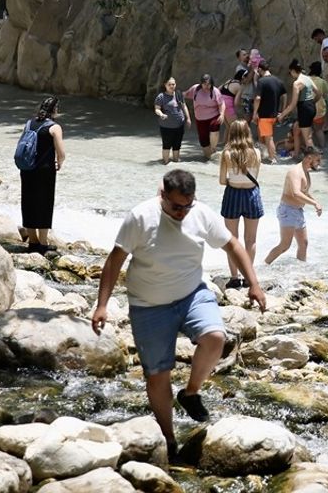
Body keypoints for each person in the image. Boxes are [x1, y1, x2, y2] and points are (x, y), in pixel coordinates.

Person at [90, 170, 268, 454]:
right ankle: (169, 439)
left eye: (187, 205)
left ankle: (191, 392)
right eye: (176, 207)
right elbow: (115, 260)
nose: (182, 212)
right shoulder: (140, 217)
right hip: (148, 305)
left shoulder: (200, 213)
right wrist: (102, 305)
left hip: (191, 294)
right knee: (158, 374)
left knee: (215, 337)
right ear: (162, 196)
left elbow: (233, 244)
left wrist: (254, 284)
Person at [217, 120, 263, 289]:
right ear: (247, 133)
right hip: (252, 195)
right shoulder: (257, 153)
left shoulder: (227, 154)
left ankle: (235, 277)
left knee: (232, 239)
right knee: (250, 239)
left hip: (233, 194)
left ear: (232, 133)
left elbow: (222, 181)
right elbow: (256, 176)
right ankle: (249, 278)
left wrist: (233, 179)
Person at [20, 97, 65, 253]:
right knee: (44, 203)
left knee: (28, 201)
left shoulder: (28, 124)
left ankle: (33, 241)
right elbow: (61, 153)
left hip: (26, 169)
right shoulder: (54, 128)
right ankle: (43, 243)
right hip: (45, 171)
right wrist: (60, 162)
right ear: (54, 110)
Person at [265, 146, 324, 264]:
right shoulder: (295, 172)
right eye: (317, 160)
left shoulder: (306, 172)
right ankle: (265, 264)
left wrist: (315, 202)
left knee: (304, 243)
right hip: (288, 210)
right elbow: (296, 193)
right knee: (285, 245)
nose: (319, 163)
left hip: (298, 211)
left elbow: (304, 192)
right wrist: (314, 203)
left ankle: (300, 270)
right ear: (309, 158)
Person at [277, 60, 318, 155]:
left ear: (292, 71)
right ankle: (296, 152)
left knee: (307, 138)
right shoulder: (307, 78)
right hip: (311, 107)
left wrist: (282, 115)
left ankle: (315, 160)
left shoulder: (297, 83)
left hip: (304, 109)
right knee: (296, 128)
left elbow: (293, 104)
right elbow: (318, 93)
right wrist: (312, 102)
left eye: (290, 72)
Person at [251, 61, 286, 163]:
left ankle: (272, 158)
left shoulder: (262, 82)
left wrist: (254, 113)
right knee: (264, 134)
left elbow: (257, 98)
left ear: (260, 70)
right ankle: (264, 154)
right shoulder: (278, 81)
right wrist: (282, 111)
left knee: (268, 137)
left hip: (265, 115)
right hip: (274, 115)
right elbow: (284, 95)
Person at [185, 74, 224, 159]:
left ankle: (213, 148)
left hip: (213, 115)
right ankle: (210, 159)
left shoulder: (215, 91)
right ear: (201, 83)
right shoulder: (195, 89)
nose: (207, 86)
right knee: (204, 142)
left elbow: (221, 104)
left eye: (209, 84)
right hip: (200, 118)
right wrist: (175, 95)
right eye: (205, 84)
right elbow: (185, 94)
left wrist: (222, 114)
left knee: (214, 128)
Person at [154, 77, 188, 164]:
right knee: (167, 145)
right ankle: (165, 163)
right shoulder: (161, 97)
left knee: (177, 145)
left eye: (173, 84)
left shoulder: (178, 94)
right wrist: (161, 114)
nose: (172, 86)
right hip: (166, 126)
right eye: (169, 84)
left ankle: (176, 163)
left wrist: (188, 118)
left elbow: (184, 106)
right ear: (165, 85)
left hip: (179, 125)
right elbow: (157, 109)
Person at [306, 62, 328, 148]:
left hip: (307, 107)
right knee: (319, 130)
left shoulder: (305, 79)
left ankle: (309, 148)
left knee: (307, 130)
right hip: (319, 108)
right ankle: (322, 147)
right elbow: (326, 92)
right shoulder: (322, 82)